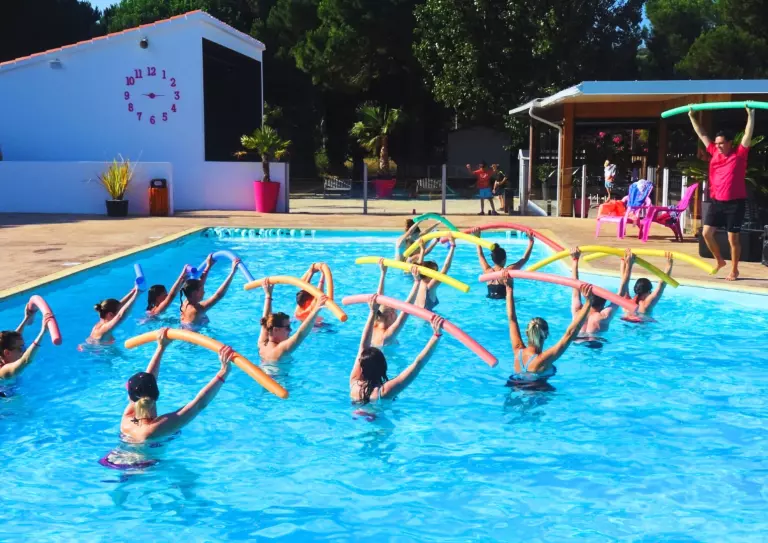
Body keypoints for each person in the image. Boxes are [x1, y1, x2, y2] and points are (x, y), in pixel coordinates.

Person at [119, 328, 235, 443]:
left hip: (115, 455)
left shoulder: (127, 419)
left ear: (130, 398)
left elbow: (147, 381)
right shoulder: (154, 429)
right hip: (142, 456)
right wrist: (224, 371)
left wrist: (161, 347)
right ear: (155, 394)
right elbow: (198, 404)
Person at [688, 106, 755, 281]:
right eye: (716, 143)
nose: (717, 146)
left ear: (730, 143)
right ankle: (719, 260)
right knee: (706, 233)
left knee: (733, 240)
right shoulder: (713, 152)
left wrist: (751, 115)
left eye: (721, 143)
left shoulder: (739, 155)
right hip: (716, 202)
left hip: (735, 203)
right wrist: (692, 116)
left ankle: (734, 270)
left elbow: (747, 135)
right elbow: (702, 134)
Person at [504, 270, 594, 388]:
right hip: (536, 392)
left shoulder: (517, 351)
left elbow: (512, 319)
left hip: (513, 386)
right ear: (546, 335)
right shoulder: (543, 359)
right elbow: (570, 333)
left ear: (527, 333)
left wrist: (509, 289)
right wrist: (588, 302)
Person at [350, 296, 444, 404]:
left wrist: (372, 312)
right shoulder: (384, 392)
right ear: (383, 367)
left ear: (362, 368)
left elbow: (363, 346)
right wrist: (436, 336)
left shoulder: (354, 384)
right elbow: (417, 365)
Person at [570, 247, 632, 342]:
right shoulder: (603, 316)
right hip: (594, 344)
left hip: (576, 342)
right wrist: (629, 264)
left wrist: (575, 259)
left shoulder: (577, 311)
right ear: (603, 304)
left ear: (587, 296)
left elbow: (575, 286)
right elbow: (621, 293)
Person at [259, 279, 328, 363]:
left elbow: (265, 322)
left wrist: (268, 296)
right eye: (287, 327)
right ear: (276, 330)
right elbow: (300, 334)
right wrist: (316, 308)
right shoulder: (279, 350)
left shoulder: (262, 344)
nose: (290, 330)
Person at [471, 228, 534, 299]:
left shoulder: (487, 271)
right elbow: (524, 259)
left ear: (493, 259)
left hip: (489, 301)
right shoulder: (507, 272)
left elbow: (480, 255)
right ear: (504, 259)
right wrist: (531, 242)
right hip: (505, 302)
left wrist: (477, 237)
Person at [370, 260, 420, 348]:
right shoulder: (387, 336)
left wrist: (383, 273)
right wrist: (417, 282)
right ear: (391, 315)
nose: (397, 315)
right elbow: (406, 310)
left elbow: (379, 299)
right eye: (396, 313)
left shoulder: (372, 327)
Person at [180, 255, 240, 327]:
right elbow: (218, 295)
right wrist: (232, 272)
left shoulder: (185, 302)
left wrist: (208, 265)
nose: (204, 292)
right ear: (195, 293)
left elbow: (200, 282)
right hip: (194, 333)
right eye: (202, 290)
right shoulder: (196, 310)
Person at [0, 313, 53, 380]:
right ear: (7, 353)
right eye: (21, 348)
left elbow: (10, 340)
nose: (25, 351)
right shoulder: (3, 371)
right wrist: (42, 332)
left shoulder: (3, 352)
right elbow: (26, 360)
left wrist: (27, 318)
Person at [624, 251, 674, 320]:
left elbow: (624, 281)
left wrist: (628, 264)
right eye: (650, 292)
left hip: (626, 322)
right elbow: (661, 285)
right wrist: (669, 265)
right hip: (642, 325)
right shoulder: (646, 305)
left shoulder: (626, 302)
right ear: (648, 291)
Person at [414, 233, 456, 311]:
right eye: (436, 272)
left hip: (416, 314)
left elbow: (420, 266)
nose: (437, 274)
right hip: (428, 317)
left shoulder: (418, 280)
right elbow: (446, 267)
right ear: (429, 274)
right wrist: (452, 246)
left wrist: (422, 249)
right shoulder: (430, 286)